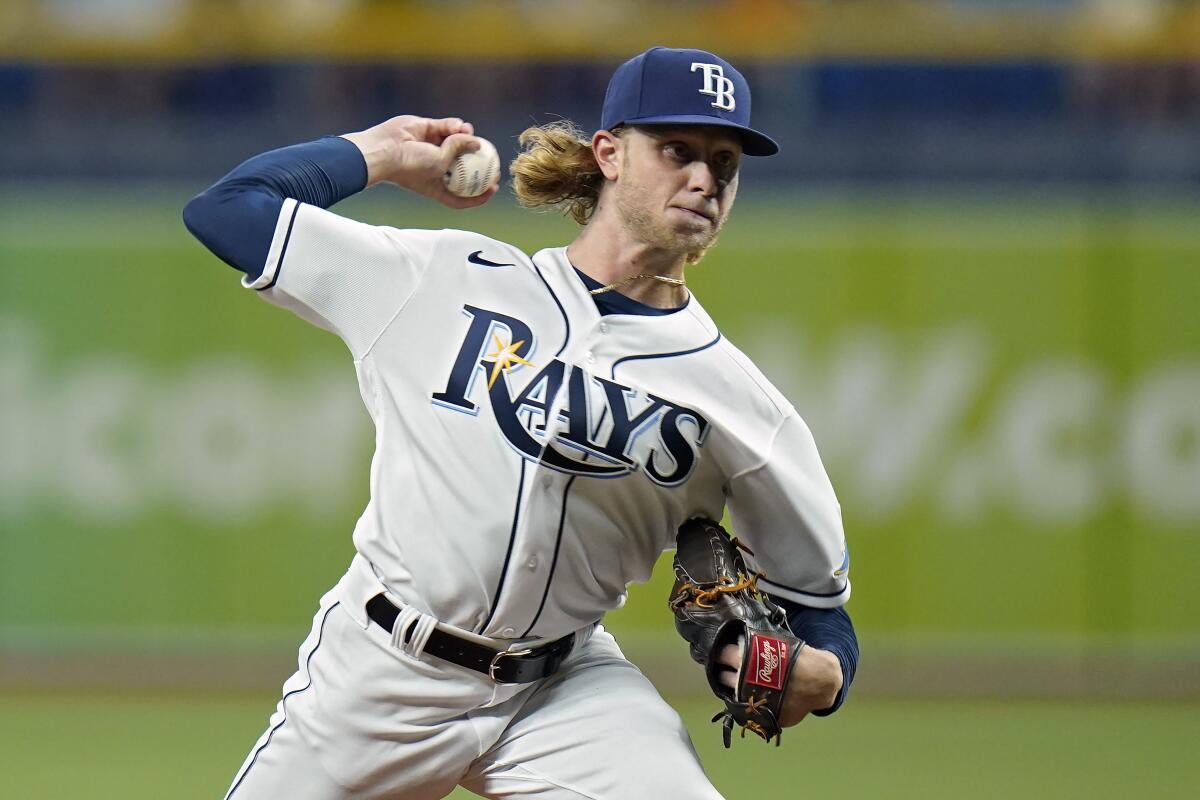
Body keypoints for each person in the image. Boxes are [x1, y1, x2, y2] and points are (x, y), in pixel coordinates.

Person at [183, 46, 858, 800]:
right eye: (678, 150)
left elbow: (820, 612)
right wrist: (378, 154)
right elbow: (227, 210)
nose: (704, 178)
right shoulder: (440, 279)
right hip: (377, 674)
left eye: (725, 163)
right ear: (609, 153)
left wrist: (823, 677)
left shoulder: (743, 405)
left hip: (564, 691)